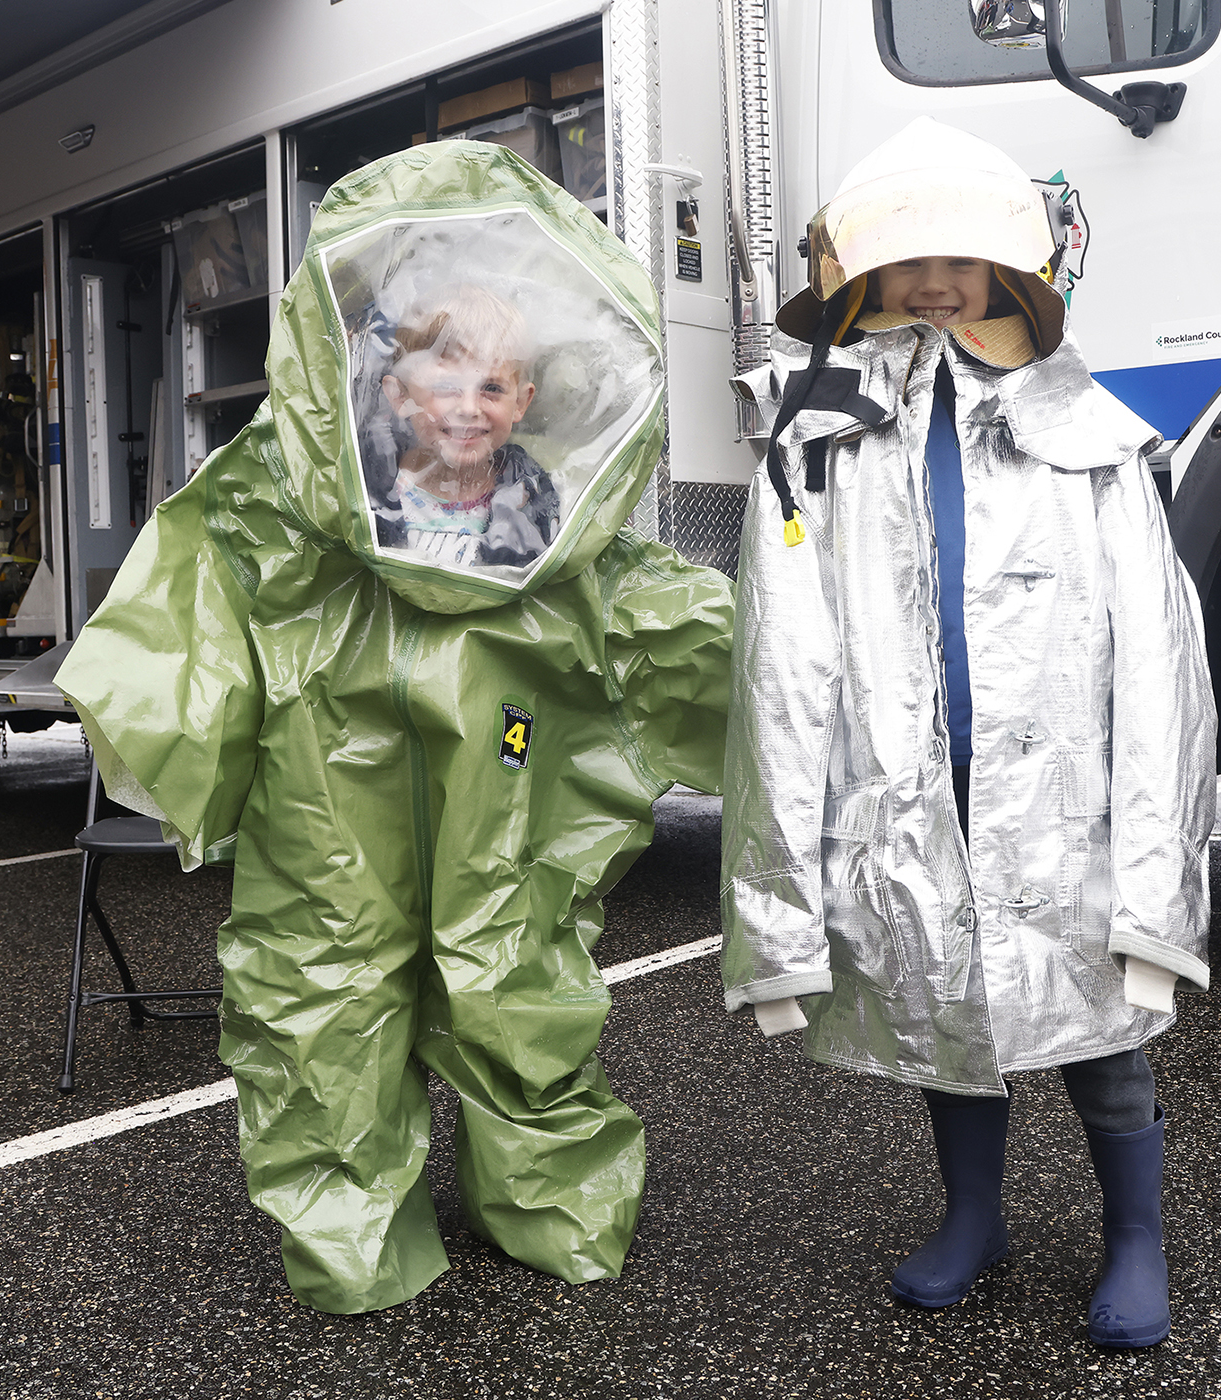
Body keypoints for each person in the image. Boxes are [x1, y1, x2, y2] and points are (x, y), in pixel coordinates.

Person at [58, 141, 733, 1315]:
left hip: (508, 776)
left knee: (515, 971)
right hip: (331, 782)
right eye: (443, 370)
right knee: (326, 985)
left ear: (528, 398)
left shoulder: (560, 527)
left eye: (496, 382)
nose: (467, 405)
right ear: (383, 379)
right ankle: (352, 1237)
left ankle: (553, 1206)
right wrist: (181, 740)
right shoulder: (303, 502)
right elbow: (190, 603)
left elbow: (667, 623)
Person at [719, 117, 1216, 1349]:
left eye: (961, 254)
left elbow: (1160, 666)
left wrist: (1162, 892)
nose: (935, 281)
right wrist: (778, 912)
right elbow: (780, 668)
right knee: (950, 1014)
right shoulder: (821, 437)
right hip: (913, 790)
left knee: (1102, 1033)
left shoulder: (1090, 437)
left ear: (1015, 271)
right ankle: (974, 1214)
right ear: (858, 276)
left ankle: (1135, 1234)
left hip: (1064, 795)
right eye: (904, 256)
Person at [366, 283, 561, 567]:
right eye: (446, 386)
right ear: (401, 396)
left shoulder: (535, 495)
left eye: (491, 388)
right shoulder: (370, 489)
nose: (469, 408)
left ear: (520, 401)